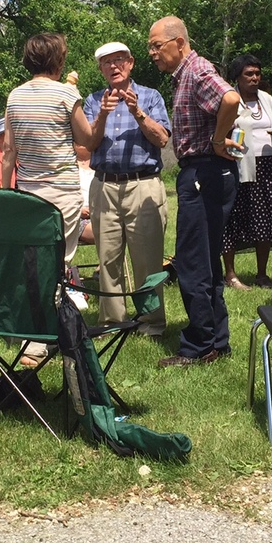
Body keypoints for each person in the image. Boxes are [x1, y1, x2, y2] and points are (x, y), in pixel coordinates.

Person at [2, 32, 101, 366]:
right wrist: (102, 115)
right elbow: (87, 139)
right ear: (58, 60)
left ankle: (36, 331)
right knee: (56, 267)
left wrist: (5, 194)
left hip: (28, 195)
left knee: (31, 266)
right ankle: (38, 342)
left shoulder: (14, 95)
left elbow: (7, 151)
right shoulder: (66, 93)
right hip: (62, 196)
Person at [148, 16, 241, 367]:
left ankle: (200, 346)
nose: (153, 53)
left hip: (203, 172)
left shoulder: (197, 71)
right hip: (206, 171)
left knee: (192, 262)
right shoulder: (186, 74)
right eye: (151, 47)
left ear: (179, 42)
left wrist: (217, 140)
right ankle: (217, 341)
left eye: (157, 45)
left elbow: (230, 100)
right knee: (205, 259)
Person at [83, 41, 171, 336]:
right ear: (100, 69)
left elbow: (162, 140)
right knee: (108, 259)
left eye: (119, 60)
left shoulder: (150, 96)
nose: (113, 66)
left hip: (143, 185)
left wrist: (138, 113)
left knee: (147, 258)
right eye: (107, 62)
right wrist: (102, 116)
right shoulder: (94, 100)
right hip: (104, 186)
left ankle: (151, 322)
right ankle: (112, 322)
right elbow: (88, 146)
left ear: (131, 63)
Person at [221, 54, 272, 291]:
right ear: (237, 77)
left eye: (257, 73)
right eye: (249, 74)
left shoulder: (266, 99)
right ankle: (230, 274)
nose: (254, 78)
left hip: (268, 167)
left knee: (266, 219)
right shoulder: (230, 100)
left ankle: (262, 274)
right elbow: (222, 132)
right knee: (233, 219)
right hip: (241, 168)